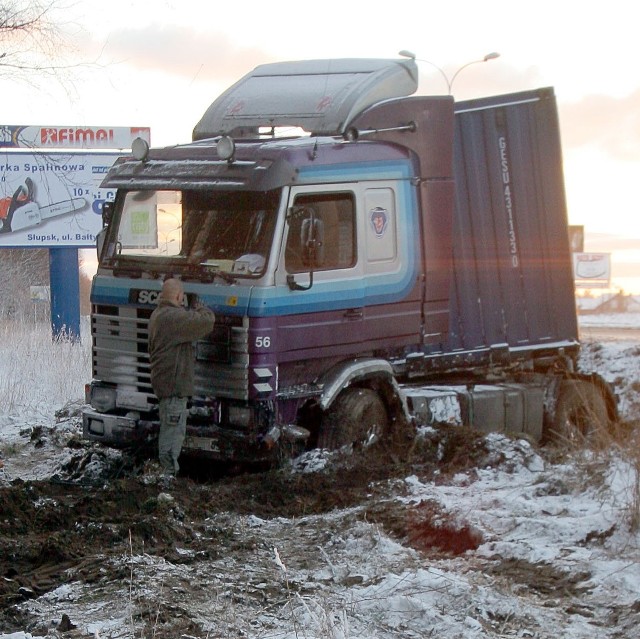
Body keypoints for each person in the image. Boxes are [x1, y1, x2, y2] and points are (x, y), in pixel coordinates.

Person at [148, 278, 215, 476]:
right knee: (171, 438)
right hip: (173, 388)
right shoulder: (172, 318)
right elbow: (206, 322)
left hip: (166, 385)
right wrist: (201, 308)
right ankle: (167, 480)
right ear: (179, 296)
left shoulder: (158, 315)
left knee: (170, 430)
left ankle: (166, 478)